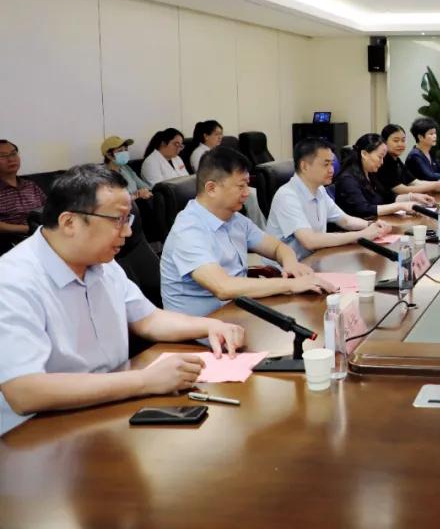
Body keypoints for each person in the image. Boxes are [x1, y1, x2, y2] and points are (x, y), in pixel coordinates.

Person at [0, 164, 247, 435]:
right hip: (40, 432)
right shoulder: (12, 281)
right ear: (69, 222)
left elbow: (149, 319)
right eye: (117, 220)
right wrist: (144, 380)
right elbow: (24, 391)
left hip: (107, 407)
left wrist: (210, 326)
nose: (128, 232)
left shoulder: (102, 263)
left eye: (128, 219)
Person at [160, 147, 333, 317]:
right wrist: (291, 285)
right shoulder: (188, 230)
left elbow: (277, 247)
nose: (247, 193)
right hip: (201, 326)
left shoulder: (235, 219)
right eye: (241, 186)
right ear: (211, 188)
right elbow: (223, 287)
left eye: (247, 185)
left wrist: (291, 264)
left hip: (237, 312)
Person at [267, 138, 392, 261]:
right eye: (326, 164)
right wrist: (361, 235)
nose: (331, 169)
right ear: (304, 166)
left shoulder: (319, 189)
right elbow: (309, 241)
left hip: (315, 259)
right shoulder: (287, 196)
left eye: (332, 163)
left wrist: (371, 225)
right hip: (288, 268)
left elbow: (345, 220)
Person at [337, 134, 430, 218]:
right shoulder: (348, 179)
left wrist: (412, 197)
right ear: (364, 154)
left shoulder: (371, 173)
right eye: (380, 157)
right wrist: (399, 206)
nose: (382, 162)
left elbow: (386, 197)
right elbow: (363, 209)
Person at [377, 123, 440, 197]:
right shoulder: (384, 161)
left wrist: (436, 184)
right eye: (396, 141)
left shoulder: (397, 160)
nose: (400, 144)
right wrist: (433, 186)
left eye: (403, 140)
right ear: (384, 142)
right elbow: (400, 190)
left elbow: (413, 182)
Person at [0, 139, 47, 240]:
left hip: (44, 234)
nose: (11, 159)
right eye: (2, 156)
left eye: (13, 154)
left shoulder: (30, 185)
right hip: (14, 240)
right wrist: (28, 229)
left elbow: (49, 208)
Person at [101, 136, 152, 201]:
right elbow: (113, 201)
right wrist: (137, 195)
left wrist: (145, 191)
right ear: (109, 155)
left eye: (126, 150)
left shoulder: (126, 168)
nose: (124, 153)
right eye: (120, 151)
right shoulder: (103, 175)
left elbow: (143, 185)